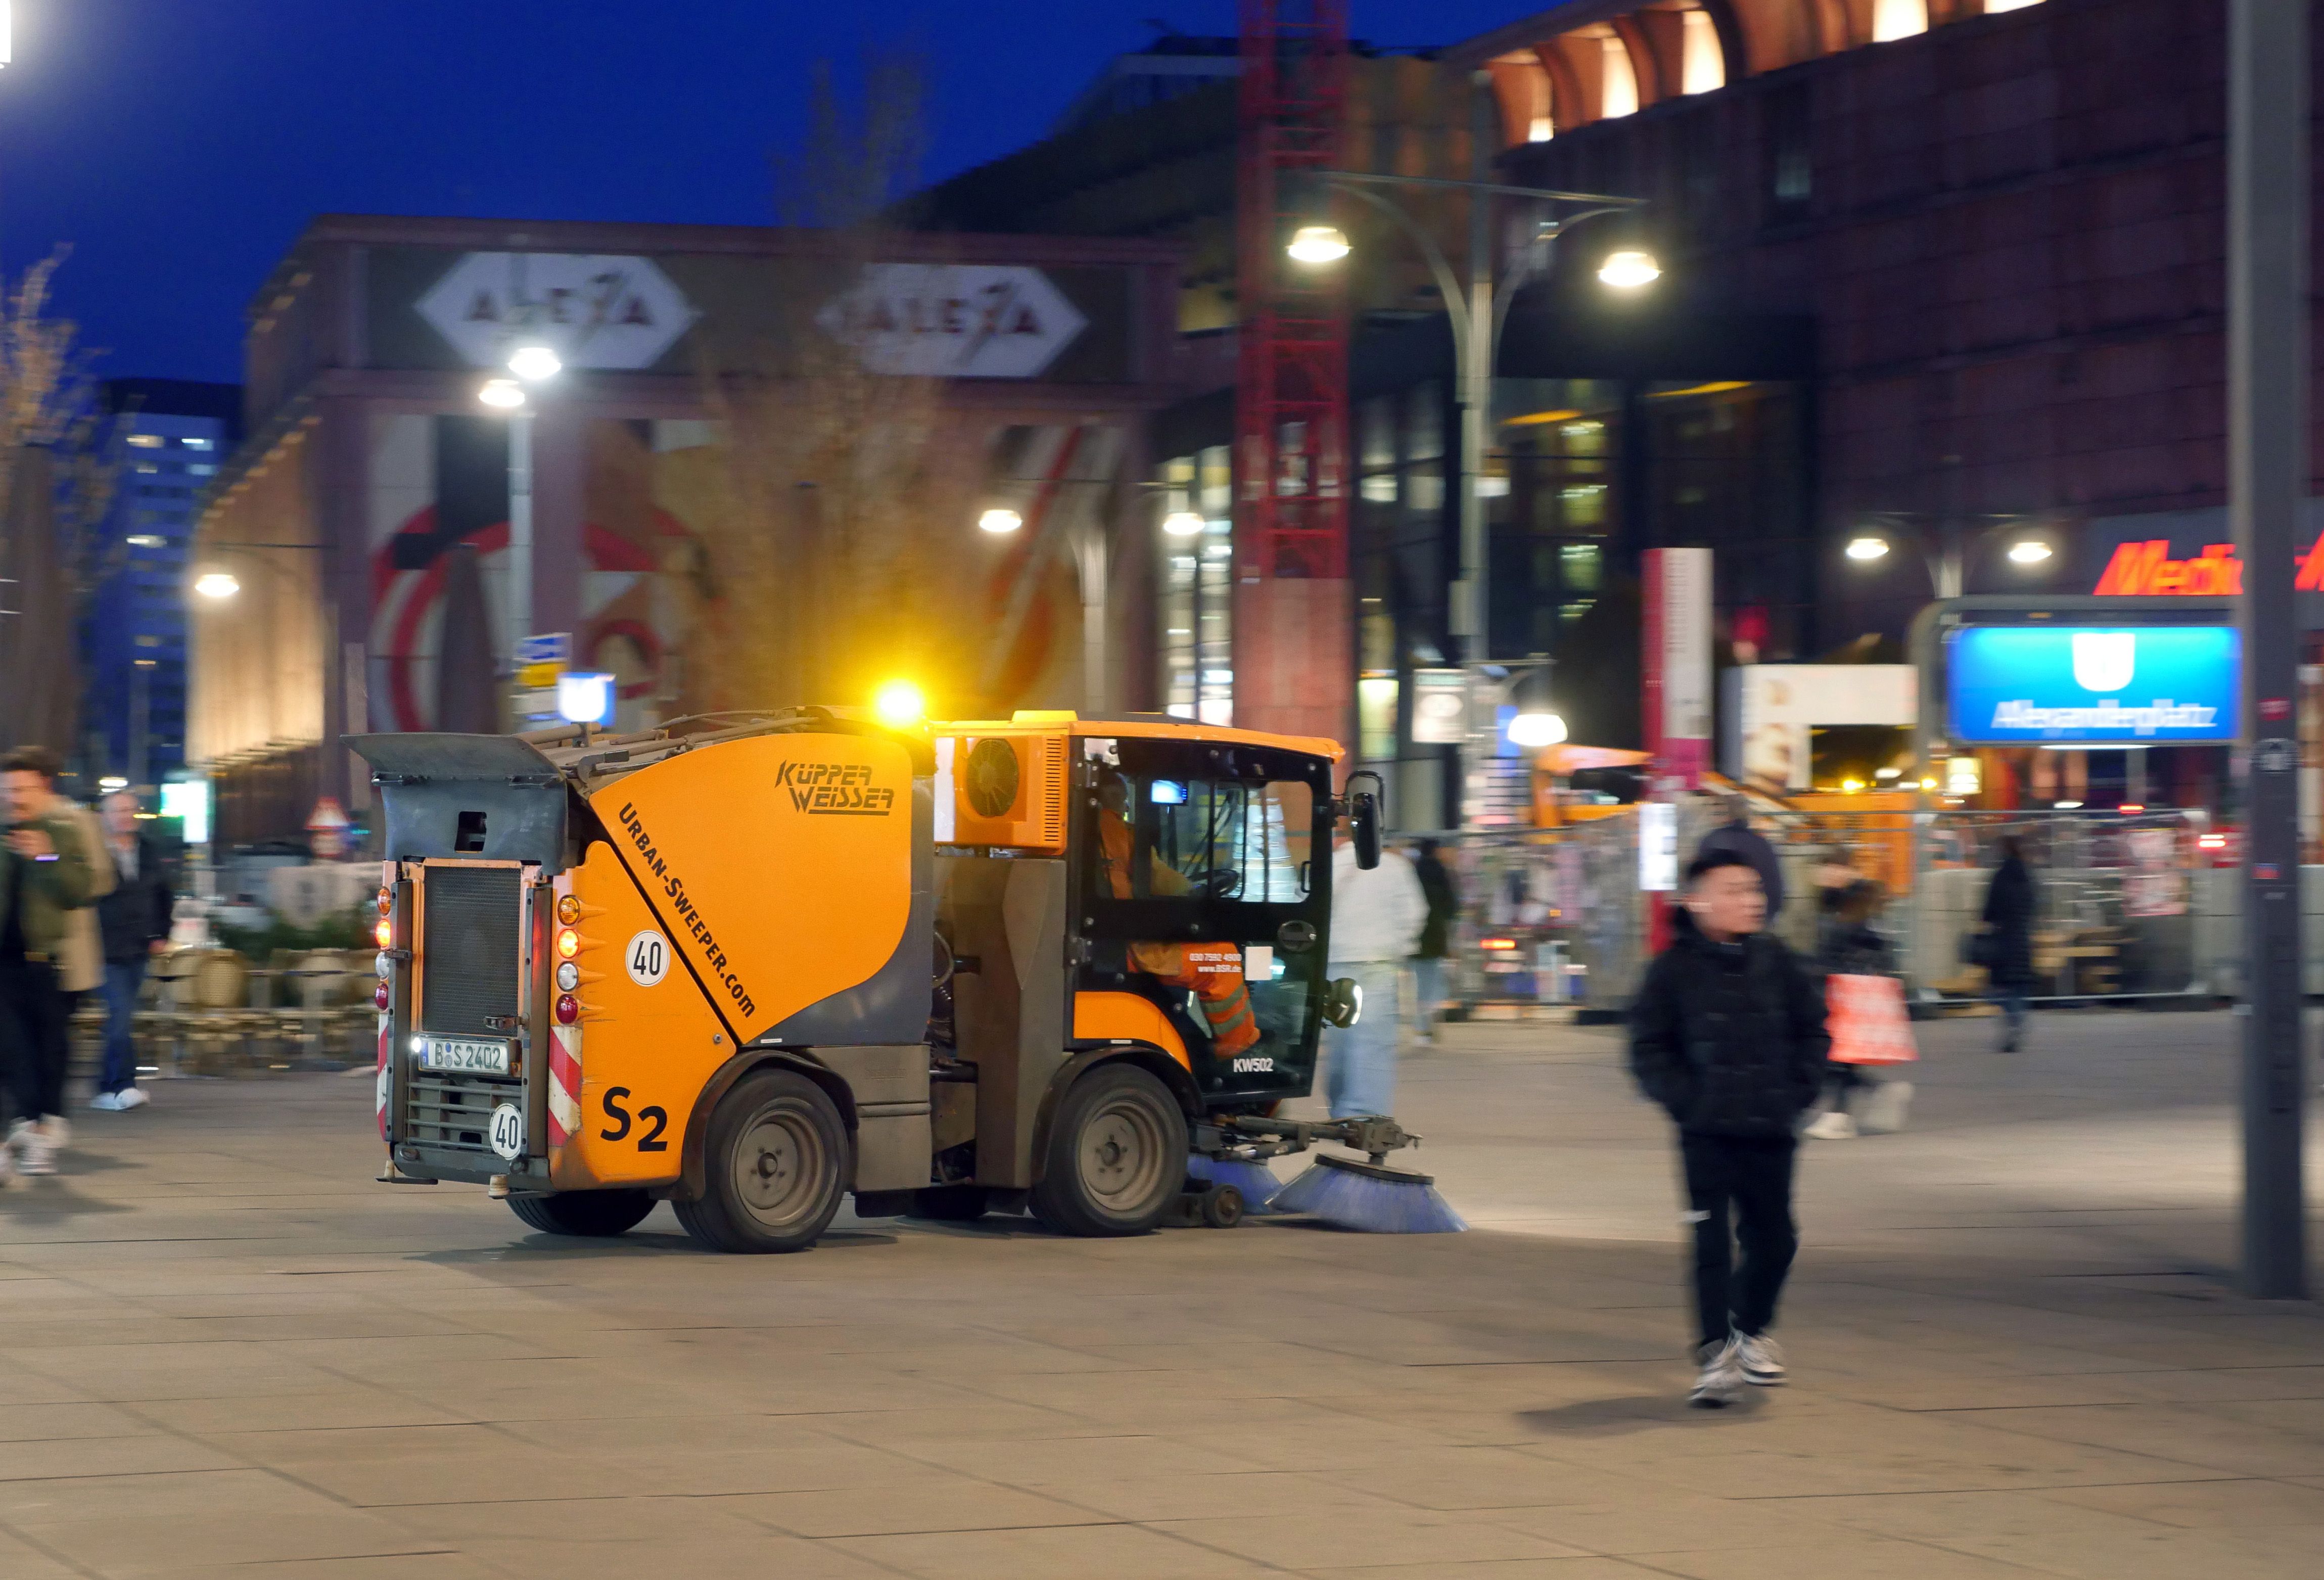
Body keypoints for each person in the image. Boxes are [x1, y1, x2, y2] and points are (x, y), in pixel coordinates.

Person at [1628, 851, 1828, 1408]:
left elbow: (1813, 1028)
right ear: (1697, 900)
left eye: (1754, 890)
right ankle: (1714, 1355)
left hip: (1769, 1128)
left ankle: (1750, 1326)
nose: (1750, 900)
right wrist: (1686, 1100)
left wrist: (1800, 1088)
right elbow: (1647, 1047)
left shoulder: (1778, 961)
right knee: (1710, 1244)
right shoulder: (1670, 970)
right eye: (1735, 890)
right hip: (1706, 1132)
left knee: (1775, 1240)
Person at [0, 748, 107, 1177]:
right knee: (11, 1052)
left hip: (44, 961)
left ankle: (40, 1130)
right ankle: (24, 1131)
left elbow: (80, 890)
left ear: (42, 786)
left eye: (22, 788)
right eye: (8, 788)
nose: (14, 797)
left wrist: (44, 856)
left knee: (49, 1053)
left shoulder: (63, 829)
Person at [1322, 828, 1428, 1118]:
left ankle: (1340, 1105)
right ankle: (1364, 1113)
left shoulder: (1329, 866)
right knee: (1372, 1042)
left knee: (1341, 1040)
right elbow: (1415, 912)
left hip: (1336, 964)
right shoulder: (1395, 867)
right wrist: (1399, 947)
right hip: (1379, 964)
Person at [1805, 879, 1912, 1139]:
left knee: (1835, 1061)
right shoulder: (1874, 930)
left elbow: (1825, 966)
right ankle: (1866, 1099)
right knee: (1840, 1062)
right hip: (1860, 1008)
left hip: (1840, 1004)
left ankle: (1842, 1115)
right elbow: (1884, 965)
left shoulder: (1841, 928)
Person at [92, 791, 172, 1111]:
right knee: (121, 1016)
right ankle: (123, 1086)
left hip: (139, 949)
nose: (126, 816)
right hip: (104, 950)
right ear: (104, 816)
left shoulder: (149, 851)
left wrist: (161, 933)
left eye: (131, 810)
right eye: (118, 811)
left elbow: (165, 895)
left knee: (120, 1020)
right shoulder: (94, 852)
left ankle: (105, 1087)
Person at [1980, 833, 2036, 1052]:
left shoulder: (2000, 877)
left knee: (2001, 988)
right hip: (2022, 938)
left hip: (2003, 939)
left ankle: (2014, 1022)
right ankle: (2018, 1022)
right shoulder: (2028, 877)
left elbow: (1989, 911)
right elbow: (2034, 906)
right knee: (2019, 987)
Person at [1695, 792, 1786, 928]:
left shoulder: (1711, 841)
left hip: (1721, 923)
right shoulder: (1763, 844)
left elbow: (1701, 884)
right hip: (1760, 920)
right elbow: (1777, 886)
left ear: (1724, 815)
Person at [1408, 838, 1460, 1046]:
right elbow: (1452, 909)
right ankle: (1426, 1026)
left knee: (1420, 984)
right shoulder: (1442, 875)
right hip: (1436, 937)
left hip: (1416, 938)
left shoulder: (1413, 874)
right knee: (1432, 984)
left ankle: (1422, 1027)